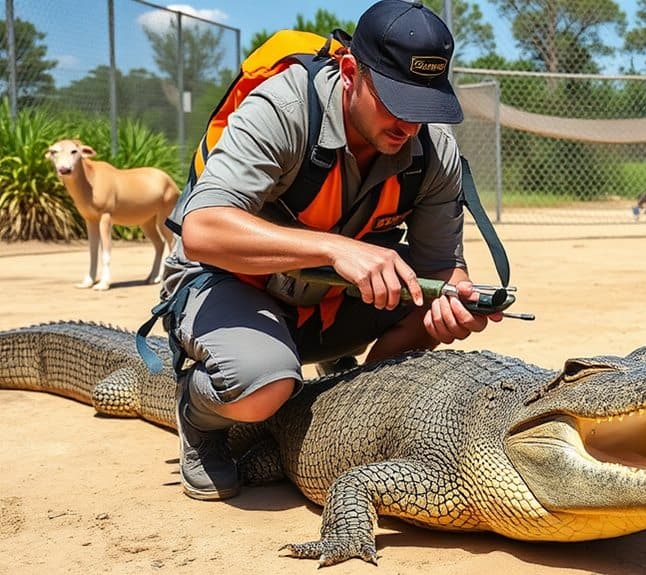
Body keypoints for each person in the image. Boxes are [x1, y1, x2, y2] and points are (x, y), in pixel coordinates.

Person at [157, 0, 500, 501]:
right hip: (233, 284)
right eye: (396, 101)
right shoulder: (285, 108)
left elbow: (438, 268)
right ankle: (200, 415)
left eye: (423, 107)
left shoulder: (433, 149)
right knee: (263, 388)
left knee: (426, 314)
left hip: (330, 302)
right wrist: (335, 247)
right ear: (349, 73)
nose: (409, 124)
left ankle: (345, 396)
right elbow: (203, 231)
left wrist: (454, 297)